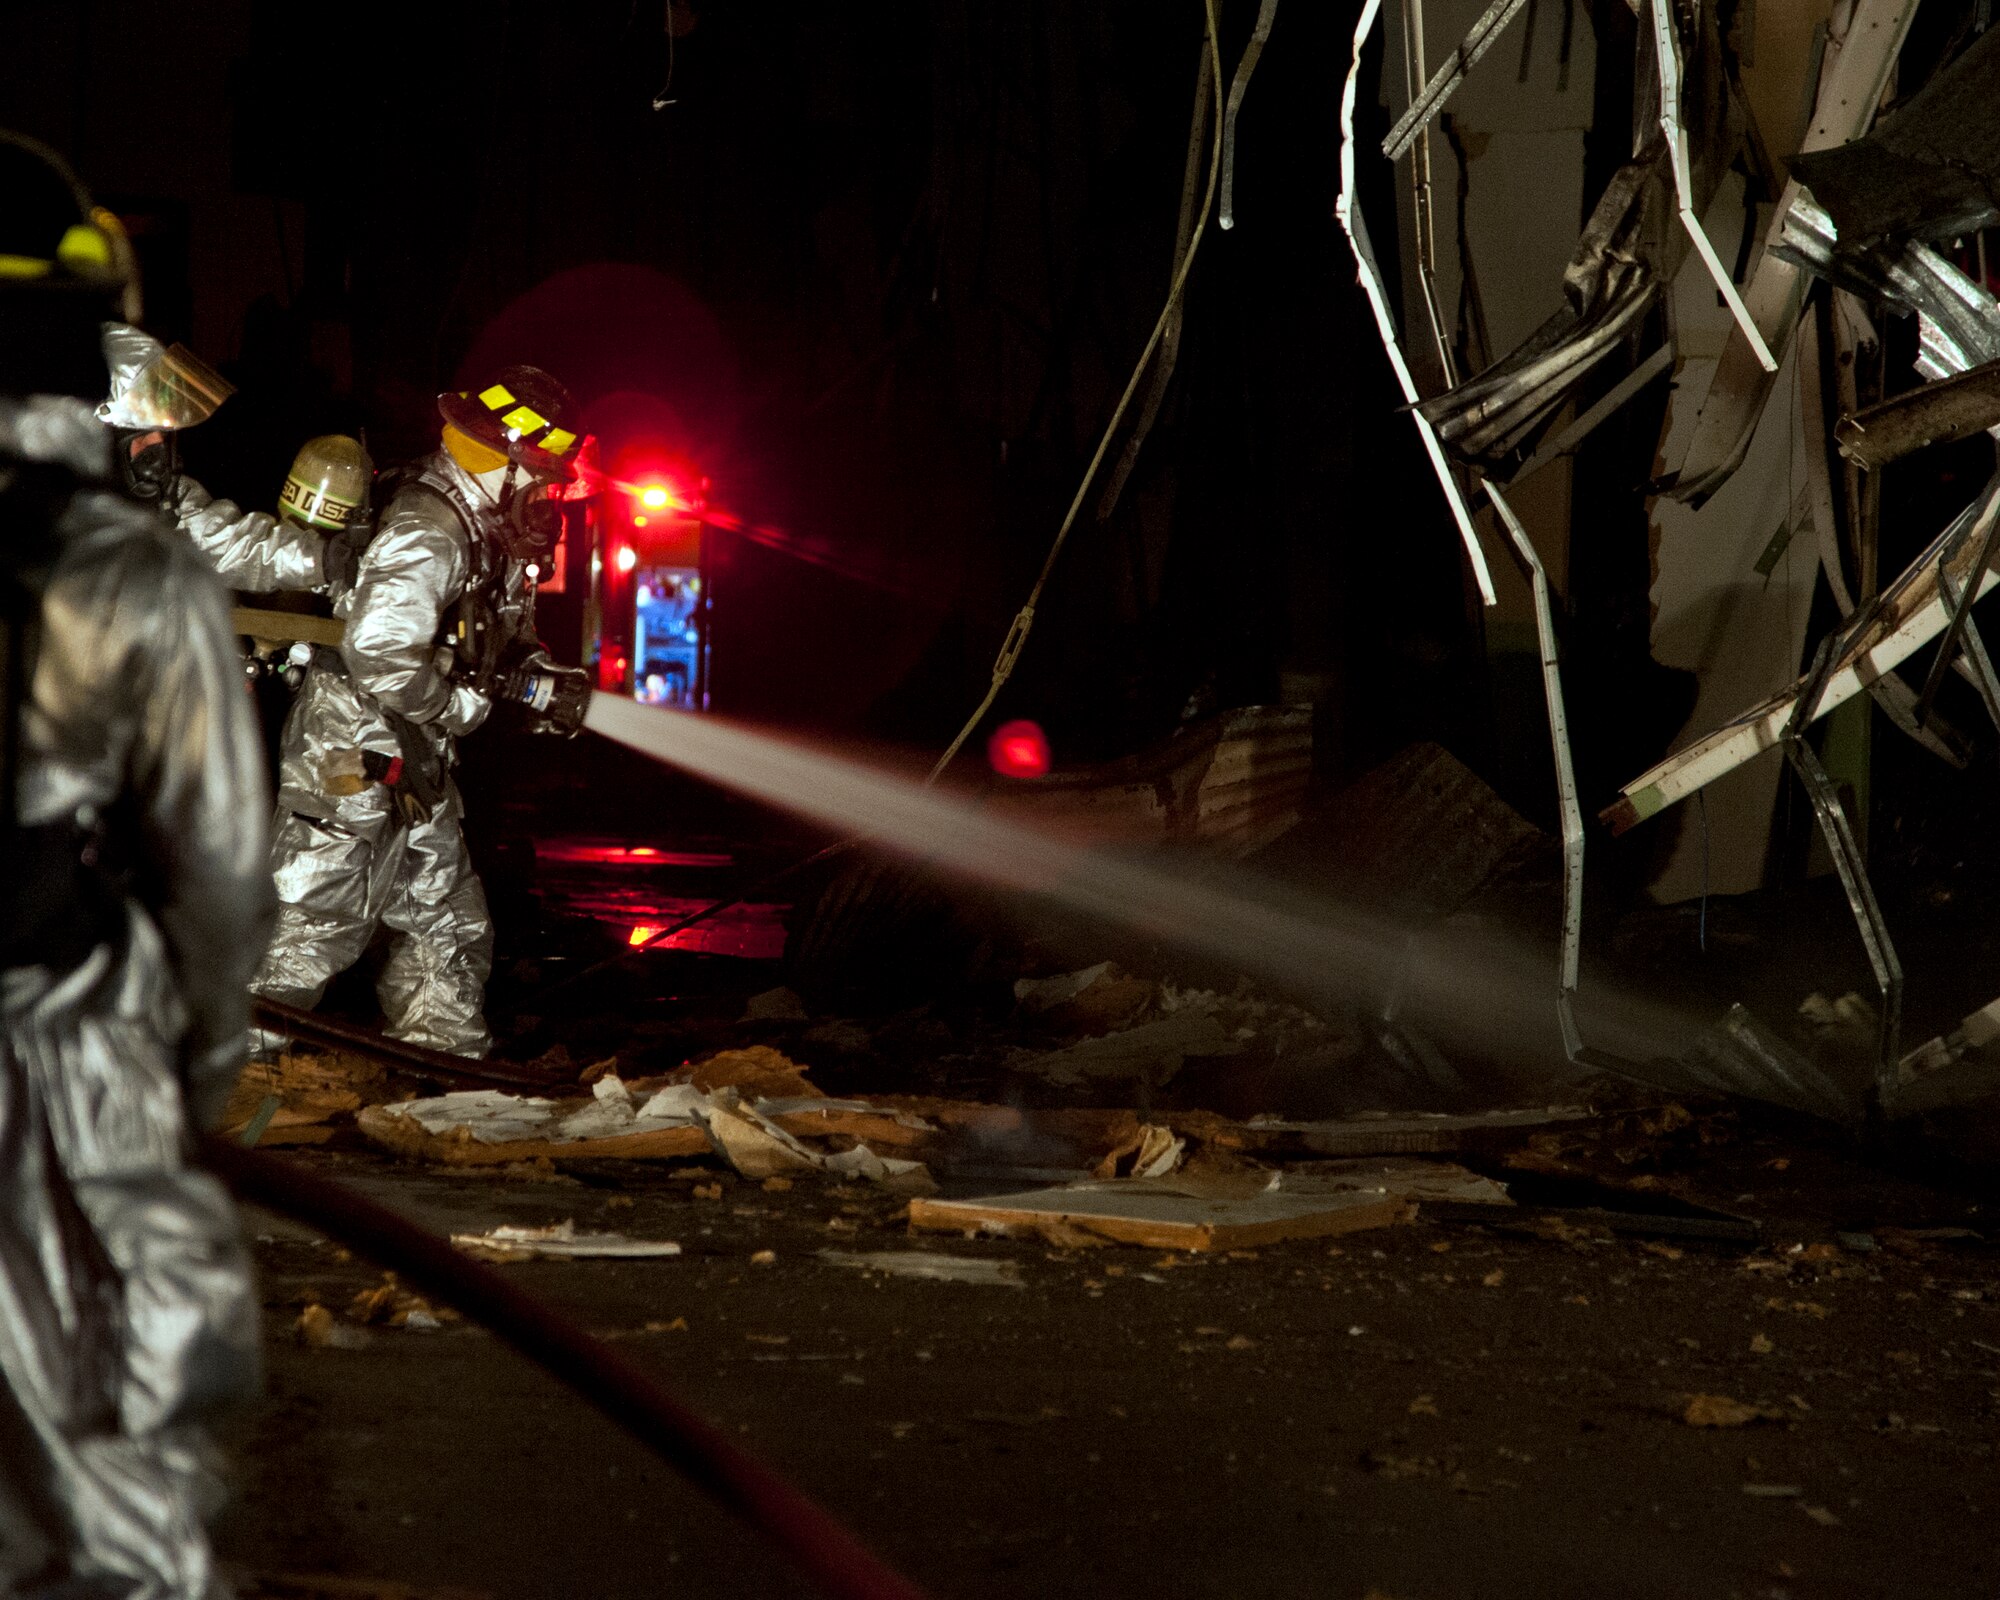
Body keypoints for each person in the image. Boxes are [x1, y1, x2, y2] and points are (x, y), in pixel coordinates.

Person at [0, 131, 272, 1598]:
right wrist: (192, 1079)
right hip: (66, 1065)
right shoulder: (130, 573)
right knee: (117, 1504)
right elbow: (220, 880)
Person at [250, 364, 590, 1057]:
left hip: (413, 764)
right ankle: (215, 1082)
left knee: (444, 921)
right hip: (350, 756)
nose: (548, 493)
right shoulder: (428, 530)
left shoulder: (483, 526)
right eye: (543, 475)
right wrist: (460, 705)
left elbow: (490, 636)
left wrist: (535, 675)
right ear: (506, 460)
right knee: (307, 926)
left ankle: (445, 1069)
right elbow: (379, 651)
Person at [98, 321, 368, 594]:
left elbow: (227, 544)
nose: (158, 447)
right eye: (142, 436)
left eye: (163, 435)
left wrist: (320, 558)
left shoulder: (164, 499)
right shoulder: (63, 517)